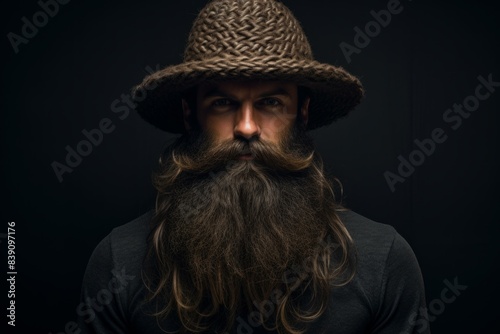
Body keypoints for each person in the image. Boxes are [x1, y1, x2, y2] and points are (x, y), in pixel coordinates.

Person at [77, 0, 430, 333]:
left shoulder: (382, 261)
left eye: (271, 102)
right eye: (222, 103)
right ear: (190, 113)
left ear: (302, 114)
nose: (246, 127)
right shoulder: (117, 264)